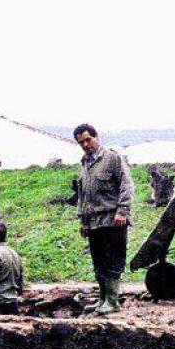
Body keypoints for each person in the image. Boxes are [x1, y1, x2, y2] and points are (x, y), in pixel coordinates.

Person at [74, 123, 133, 315]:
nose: (85, 145)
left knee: (113, 260)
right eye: (81, 142)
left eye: (88, 140)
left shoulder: (113, 158)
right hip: (93, 222)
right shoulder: (84, 163)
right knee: (98, 261)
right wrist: (82, 220)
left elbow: (126, 185)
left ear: (96, 137)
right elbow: (82, 194)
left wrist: (122, 211)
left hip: (112, 219)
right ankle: (102, 299)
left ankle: (113, 301)